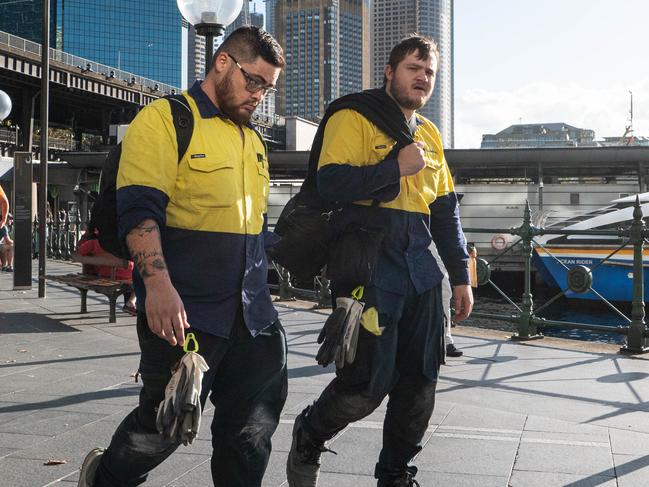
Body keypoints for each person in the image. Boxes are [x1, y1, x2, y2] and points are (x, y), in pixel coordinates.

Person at [78, 26, 287, 487]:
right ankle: (105, 478)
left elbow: (251, 229)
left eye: (268, 88)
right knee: (162, 428)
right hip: (184, 313)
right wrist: (155, 285)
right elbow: (140, 210)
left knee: (251, 432)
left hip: (252, 314)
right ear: (223, 63)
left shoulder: (252, 140)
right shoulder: (166, 119)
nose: (260, 96)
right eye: (254, 81)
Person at [286, 35, 474, 487]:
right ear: (389, 72)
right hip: (367, 260)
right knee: (366, 383)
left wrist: (461, 277)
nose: (422, 77)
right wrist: (395, 167)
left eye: (429, 72)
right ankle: (310, 432)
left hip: (420, 264)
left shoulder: (429, 133)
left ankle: (395, 475)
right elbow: (328, 184)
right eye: (413, 68)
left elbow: (446, 212)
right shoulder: (354, 115)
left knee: (420, 381)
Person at [0, 185, 13, 272]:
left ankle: (5, 265)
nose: (11, 220)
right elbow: (4, 201)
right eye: (10, 219)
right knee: (10, 246)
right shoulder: (3, 226)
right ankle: (9, 265)